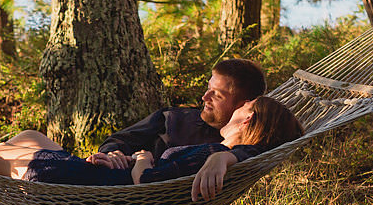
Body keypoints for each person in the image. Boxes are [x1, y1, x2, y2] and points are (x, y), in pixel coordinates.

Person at [0, 96, 302, 201]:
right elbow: (245, 156)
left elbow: (146, 183)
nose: (233, 108)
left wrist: (142, 157)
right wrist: (125, 157)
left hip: (104, 194)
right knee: (31, 136)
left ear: (249, 119)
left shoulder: (217, 155)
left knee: (8, 156)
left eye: (242, 105)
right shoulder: (217, 151)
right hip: (110, 179)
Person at [86, 58, 266, 170]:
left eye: (217, 95)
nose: (204, 97)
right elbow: (119, 140)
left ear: (242, 106)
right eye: (208, 88)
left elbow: (262, 152)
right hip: (109, 184)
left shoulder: (244, 141)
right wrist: (113, 154)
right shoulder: (173, 117)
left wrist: (225, 156)